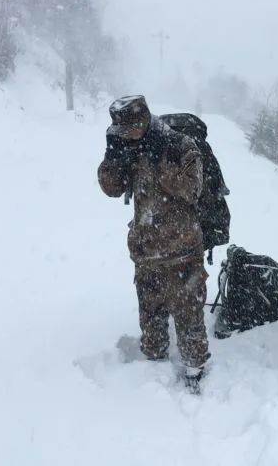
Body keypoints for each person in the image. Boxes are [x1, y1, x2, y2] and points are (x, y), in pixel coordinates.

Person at [97, 95, 210, 393]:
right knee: (151, 326)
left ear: (143, 121)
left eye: (128, 132)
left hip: (182, 252)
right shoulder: (129, 146)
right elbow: (111, 188)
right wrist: (114, 157)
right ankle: (153, 372)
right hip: (146, 254)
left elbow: (192, 188)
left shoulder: (179, 145)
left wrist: (159, 159)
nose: (126, 137)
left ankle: (195, 373)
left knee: (189, 320)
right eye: (120, 134)